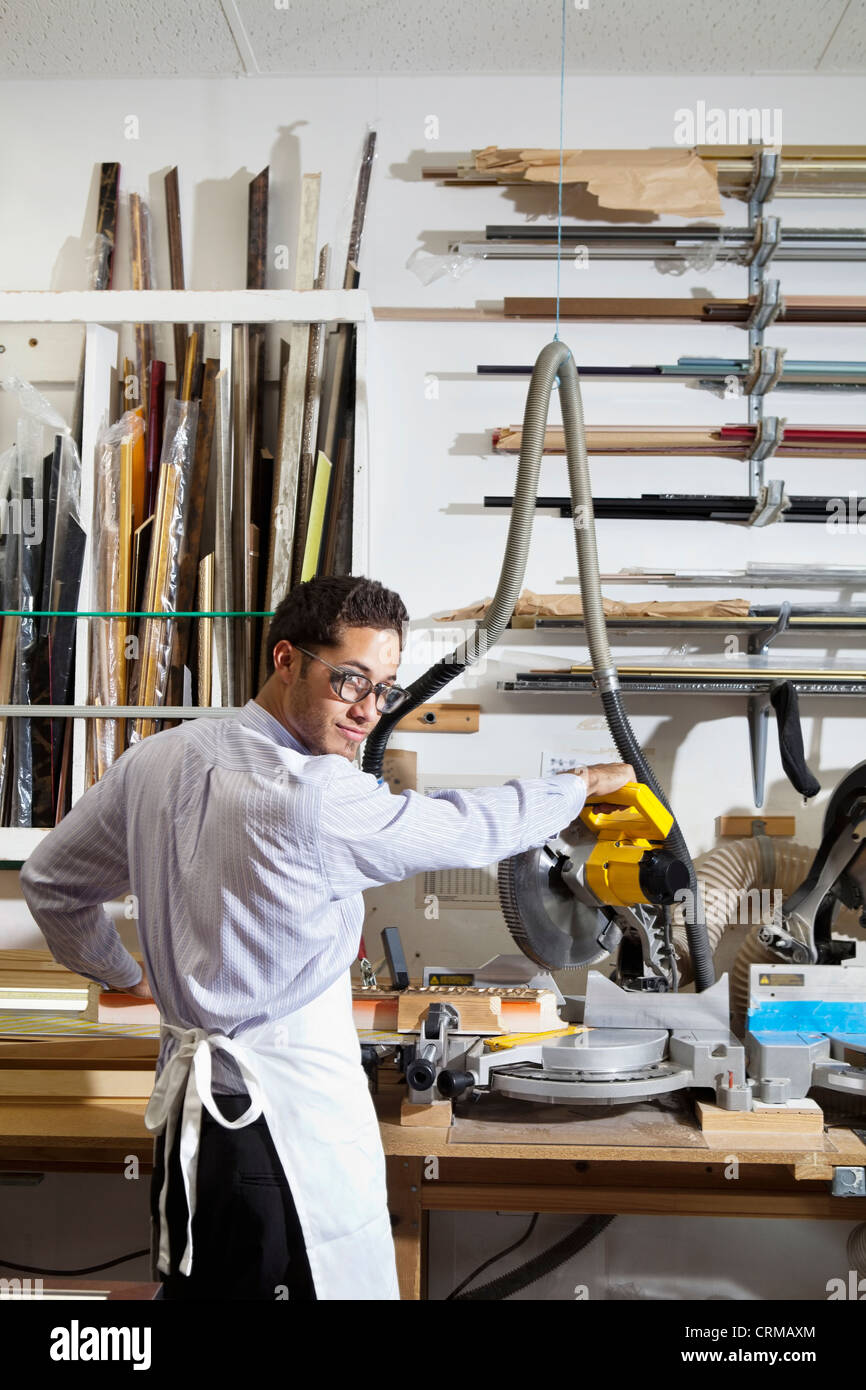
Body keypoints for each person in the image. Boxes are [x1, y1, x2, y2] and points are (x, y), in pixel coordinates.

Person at [20, 575, 633, 1301]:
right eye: (350, 681)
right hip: (280, 1130)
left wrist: (124, 974)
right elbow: (468, 828)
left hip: (196, 1124)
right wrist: (579, 784)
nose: (370, 711)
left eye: (386, 688)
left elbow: (52, 883)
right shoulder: (312, 796)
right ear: (287, 659)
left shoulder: (158, 759)